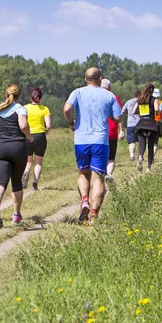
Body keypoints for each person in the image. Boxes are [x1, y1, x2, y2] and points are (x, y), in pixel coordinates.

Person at [63, 68, 122, 224]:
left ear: (85, 79)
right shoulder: (109, 95)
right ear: (100, 79)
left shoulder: (78, 92)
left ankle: (84, 201)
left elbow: (67, 109)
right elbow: (118, 116)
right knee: (98, 179)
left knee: (83, 173)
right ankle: (94, 214)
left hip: (81, 140)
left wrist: (71, 123)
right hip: (100, 141)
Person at [0, 84, 33, 229]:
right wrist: (29, 137)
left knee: (1, 181)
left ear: (6, 95)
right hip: (17, 147)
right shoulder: (20, 109)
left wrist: (0, 130)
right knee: (16, 182)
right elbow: (23, 125)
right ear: (19, 96)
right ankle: (16, 215)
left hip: (0, 147)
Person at [22, 87, 51, 192]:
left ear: (30, 97)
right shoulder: (45, 109)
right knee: (38, 162)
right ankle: (34, 185)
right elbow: (48, 125)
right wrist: (46, 130)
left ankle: (26, 172)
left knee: (28, 161)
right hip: (40, 136)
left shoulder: (25, 108)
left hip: (28, 136)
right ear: (40, 97)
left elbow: (22, 123)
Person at [132, 83, 160, 171]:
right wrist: (158, 112)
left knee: (142, 144)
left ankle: (140, 157)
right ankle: (149, 167)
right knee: (150, 146)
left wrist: (140, 113)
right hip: (151, 123)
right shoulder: (154, 99)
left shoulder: (140, 99)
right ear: (152, 91)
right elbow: (156, 109)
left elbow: (133, 111)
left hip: (141, 123)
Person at [101, 79, 124, 181]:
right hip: (111, 132)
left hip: (98, 132)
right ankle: (109, 174)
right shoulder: (114, 97)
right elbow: (118, 115)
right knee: (111, 158)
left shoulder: (94, 97)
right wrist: (121, 130)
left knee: (99, 157)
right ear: (109, 88)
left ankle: (99, 176)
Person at [122, 90, 141, 161]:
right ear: (139, 94)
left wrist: (128, 114)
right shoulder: (141, 101)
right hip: (140, 123)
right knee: (140, 141)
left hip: (130, 123)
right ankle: (140, 155)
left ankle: (132, 155)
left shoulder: (128, 101)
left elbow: (123, 111)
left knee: (132, 141)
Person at [152, 88, 162, 156]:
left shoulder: (149, 100)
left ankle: (149, 156)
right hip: (158, 122)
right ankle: (152, 156)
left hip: (150, 122)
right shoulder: (161, 102)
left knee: (149, 141)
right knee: (155, 142)